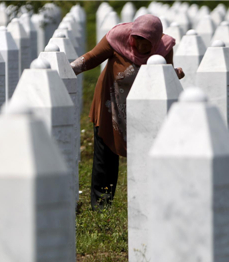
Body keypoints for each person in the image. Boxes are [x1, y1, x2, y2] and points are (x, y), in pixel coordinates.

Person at [70, 15, 185, 210]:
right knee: (104, 154)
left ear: (156, 40)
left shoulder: (164, 47)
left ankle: (146, 203)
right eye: (137, 40)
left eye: (146, 43)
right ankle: (101, 206)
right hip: (111, 101)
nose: (140, 47)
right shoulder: (116, 37)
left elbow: (164, 74)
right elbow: (91, 58)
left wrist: (175, 74)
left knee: (146, 149)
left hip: (143, 104)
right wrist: (66, 70)